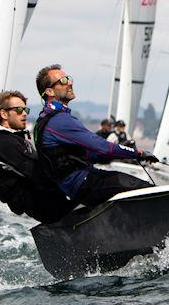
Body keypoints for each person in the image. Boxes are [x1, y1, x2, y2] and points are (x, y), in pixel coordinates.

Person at [34, 64, 158, 207]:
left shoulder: (47, 119)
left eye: (69, 78)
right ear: (49, 91)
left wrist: (118, 153)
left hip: (78, 183)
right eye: (63, 81)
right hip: (82, 183)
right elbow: (103, 147)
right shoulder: (60, 121)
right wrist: (139, 153)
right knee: (144, 189)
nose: (70, 82)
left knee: (128, 185)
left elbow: (88, 154)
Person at [0, 90, 75, 223]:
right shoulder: (3, 144)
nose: (24, 113)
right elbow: (37, 172)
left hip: (50, 203)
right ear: (4, 114)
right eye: (19, 109)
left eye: (25, 109)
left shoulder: (13, 139)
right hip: (47, 206)